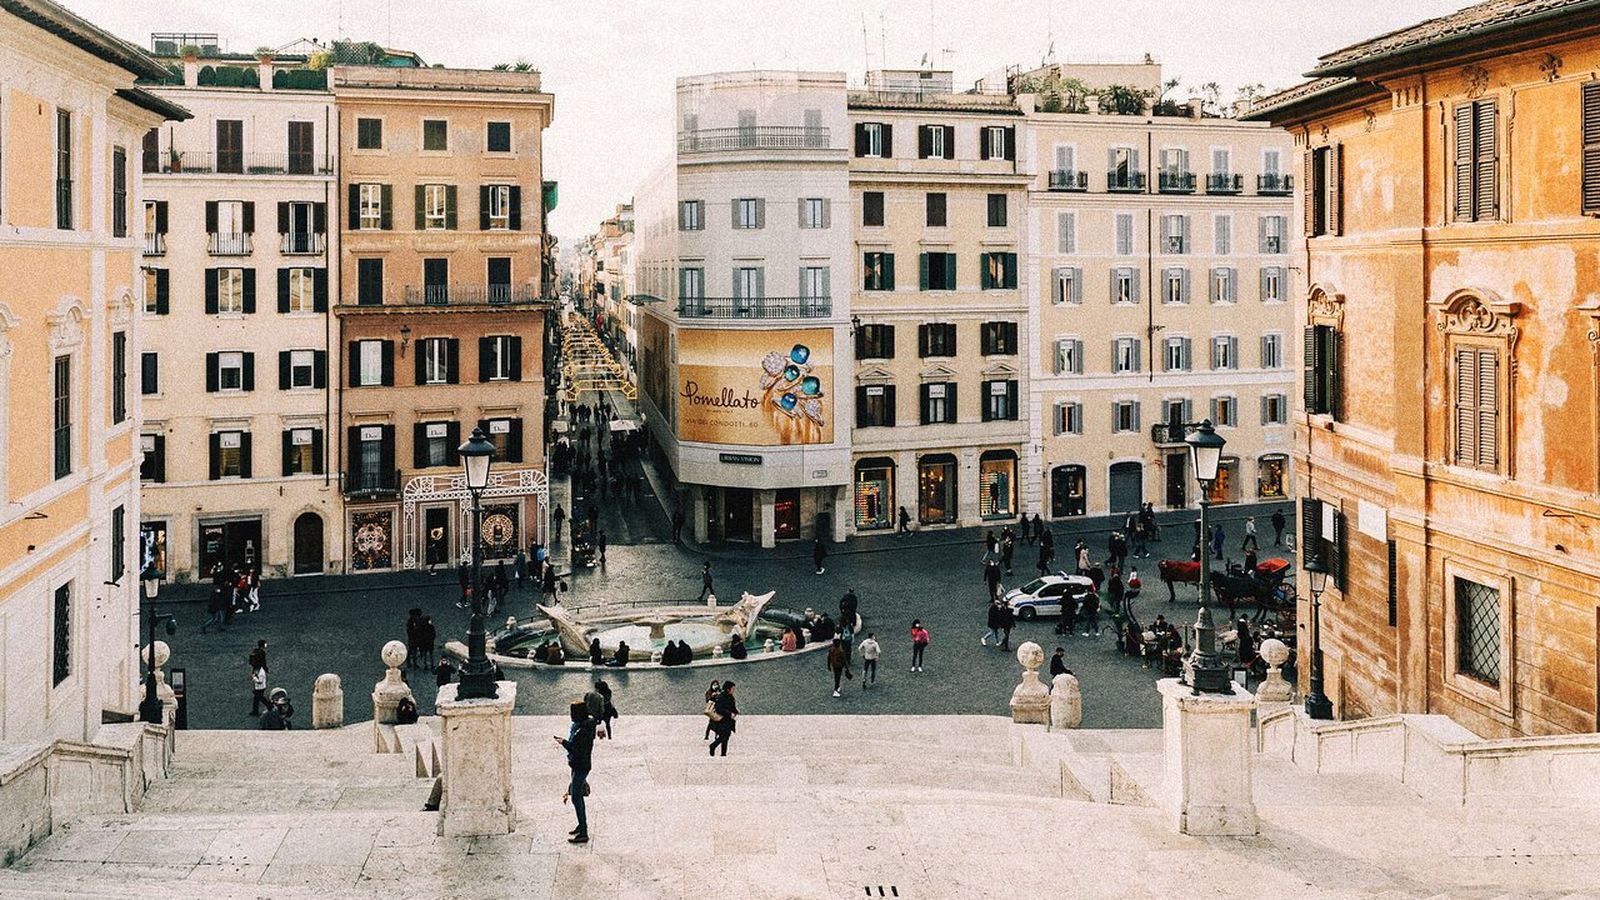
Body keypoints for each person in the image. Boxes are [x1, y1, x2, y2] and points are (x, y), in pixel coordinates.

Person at [556, 700, 597, 843]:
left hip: (580, 765)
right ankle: (581, 825)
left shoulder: (582, 731)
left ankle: (583, 832)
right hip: (578, 764)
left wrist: (564, 742)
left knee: (576, 797)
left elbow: (576, 749)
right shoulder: (584, 726)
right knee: (576, 794)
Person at [707, 680, 738, 757]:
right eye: (733, 689)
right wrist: (729, 713)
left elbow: (732, 707)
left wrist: (735, 711)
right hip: (721, 720)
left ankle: (723, 753)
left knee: (725, 736)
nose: (734, 690)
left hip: (728, 720)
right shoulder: (721, 697)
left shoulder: (730, 697)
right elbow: (719, 709)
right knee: (725, 735)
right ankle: (714, 746)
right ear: (728, 689)